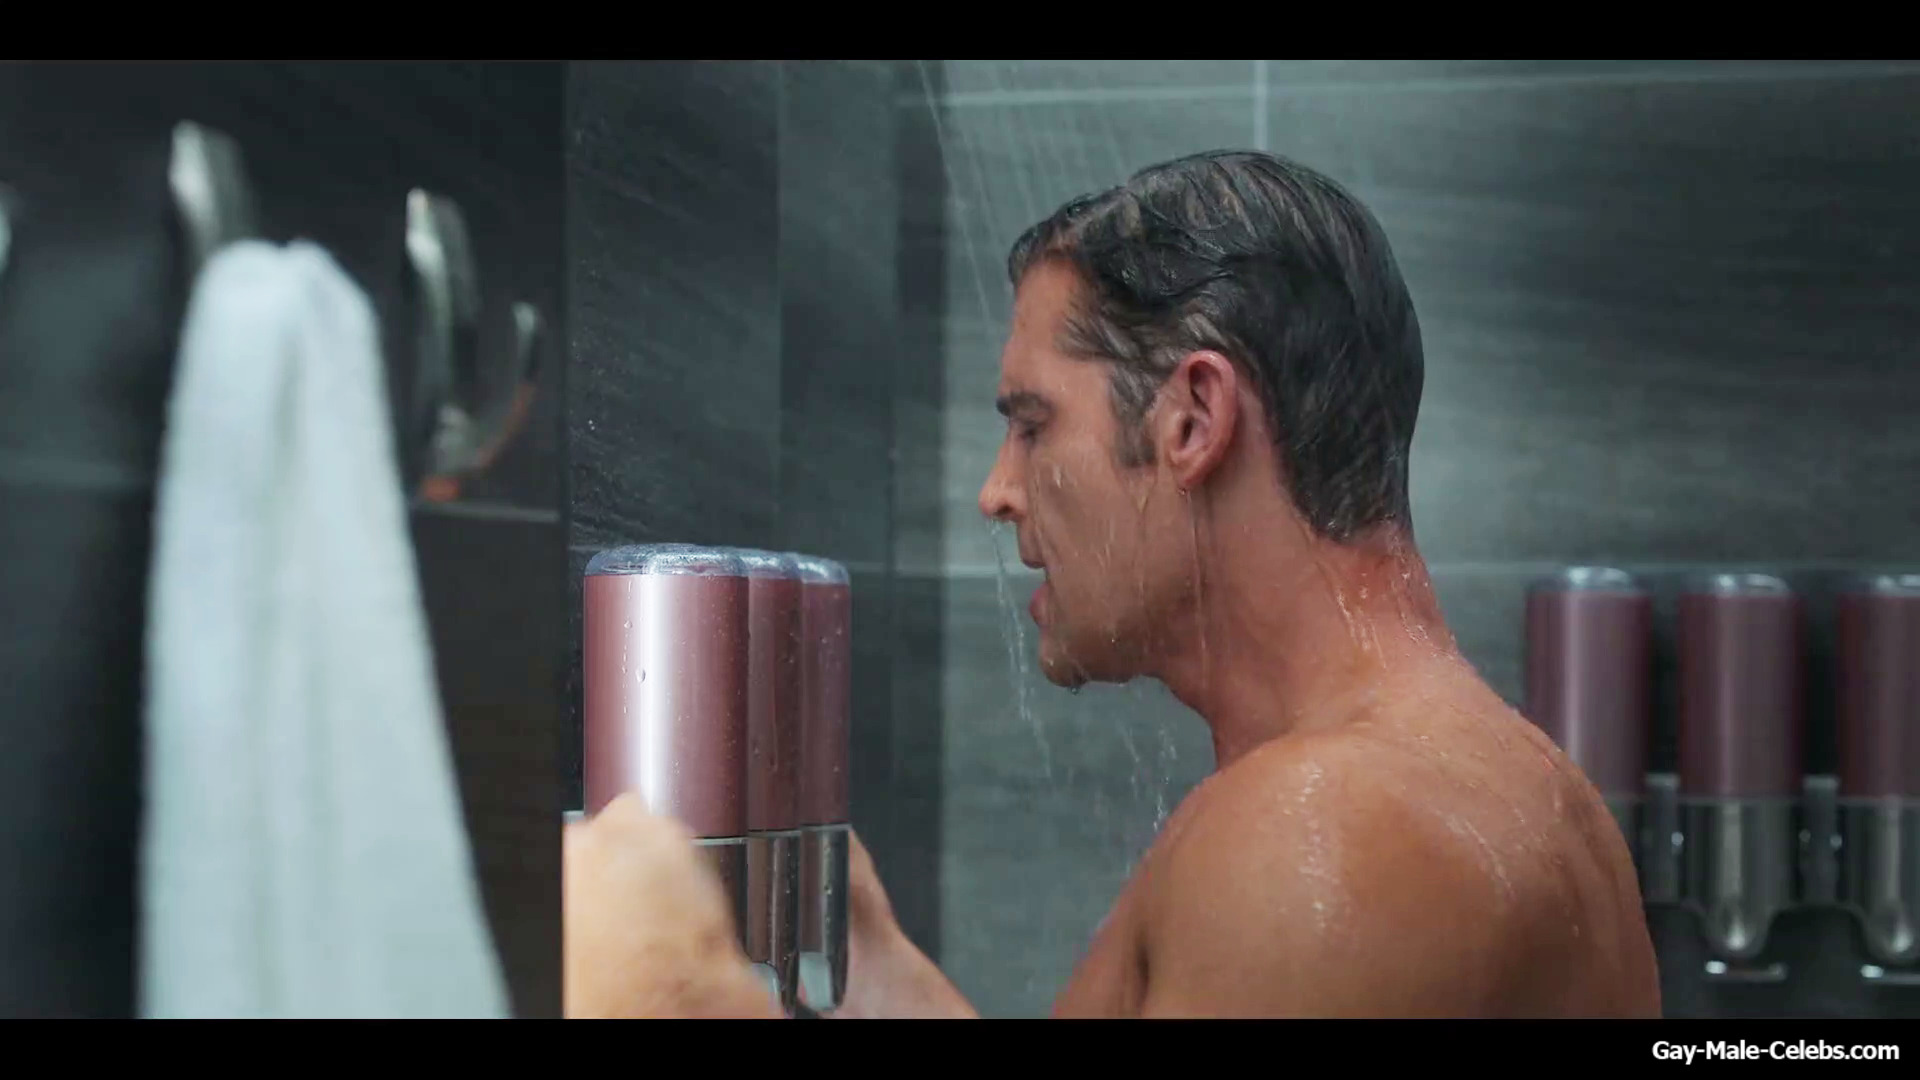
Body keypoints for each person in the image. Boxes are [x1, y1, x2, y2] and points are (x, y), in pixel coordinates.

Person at [564, 149, 1661, 1019]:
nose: (998, 491)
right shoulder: (1506, 785)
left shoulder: (1321, 842)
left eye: (1033, 424)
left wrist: (672, 993)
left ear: (1193, 420)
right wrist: (871, 965)